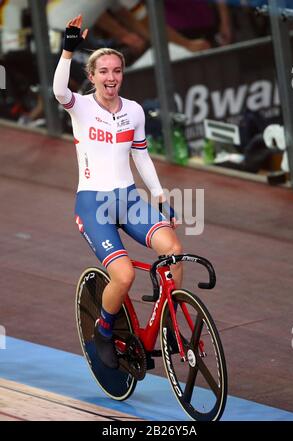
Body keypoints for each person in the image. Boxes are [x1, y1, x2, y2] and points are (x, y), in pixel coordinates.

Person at [53, 15, 183, 369]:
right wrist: (68, 51)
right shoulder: (81, 107)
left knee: (173, 250)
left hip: (128, 199)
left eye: (117, 71)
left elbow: (141, 157)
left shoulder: (135, 111)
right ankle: (104, 331)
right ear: (92, 77)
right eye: (104, 72)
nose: (111, 78)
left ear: (122, 75)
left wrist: (160, 197)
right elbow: (59, 92)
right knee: (123, 275)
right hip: (93, 205)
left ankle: (168, 323)